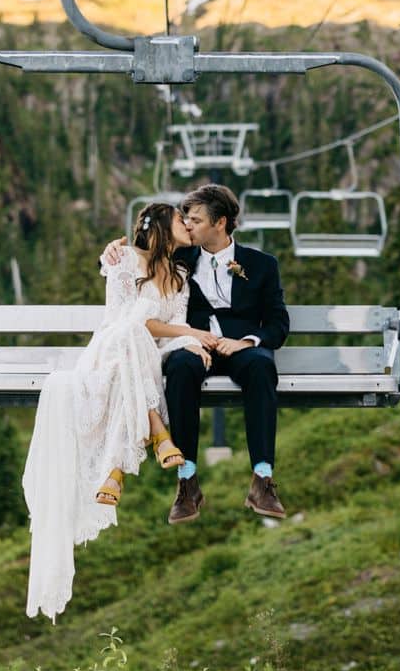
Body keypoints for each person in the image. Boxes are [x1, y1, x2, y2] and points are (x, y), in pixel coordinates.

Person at [22, 201, 214, 621]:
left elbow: (166, 332)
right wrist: (190, 332)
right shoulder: (124, 259)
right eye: (181, 220)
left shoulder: (180, 277)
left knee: (138, 343)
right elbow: (122, 321)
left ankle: (117, 467)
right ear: (163, 226)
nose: (186, 225)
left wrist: (190, 340)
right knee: (128, 334)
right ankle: (156, 434)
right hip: (111, 349)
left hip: (142, 357)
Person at [106, 183, 291, 525]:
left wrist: (246, 342)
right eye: (185, 220)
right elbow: (143, 254)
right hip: (192, 344)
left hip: (239, 348)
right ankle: (186, 481)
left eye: (195, 220)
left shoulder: (262, 264)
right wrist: (116, 249)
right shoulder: (181, 256)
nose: (187, 226)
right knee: (179, 369)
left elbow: (278, 323)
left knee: (261, 368)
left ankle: (263, 479)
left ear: (220, 223)